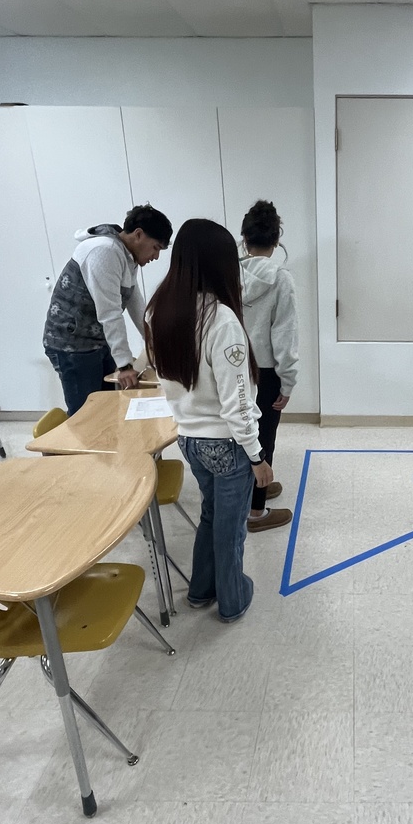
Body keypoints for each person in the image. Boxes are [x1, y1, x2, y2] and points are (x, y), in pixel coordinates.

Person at [146, 218, 272, 622]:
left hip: (188, 440)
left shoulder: (160, 310)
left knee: (211, 514)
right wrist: (258, 457)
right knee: (231, 527)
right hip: (226, 444)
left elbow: (166, 380)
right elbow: (237, 403)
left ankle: (201, 592)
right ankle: (233, 600)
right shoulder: (221, 321)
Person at [43, 204, 172, 415]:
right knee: (86, 414)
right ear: (138, 235)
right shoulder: (105, 251)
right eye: (156, 248)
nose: (155, 256)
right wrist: (124, 365)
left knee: (109, 408)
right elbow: (110, 313)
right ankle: (83, 448)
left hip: (96, 340)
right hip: (72, 345)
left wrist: (152, 337)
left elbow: (134, 300)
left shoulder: (126, 254)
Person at [239, 199, 299, 533]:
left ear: (244, 239)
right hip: (267, 371)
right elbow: (285, 335)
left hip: (233, 366)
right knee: (264, 436)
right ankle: (257, 512)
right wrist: (287, 382)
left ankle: (250, 491)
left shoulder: (227, 273)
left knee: (241, 431)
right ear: (276, 242)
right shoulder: (281, 279)